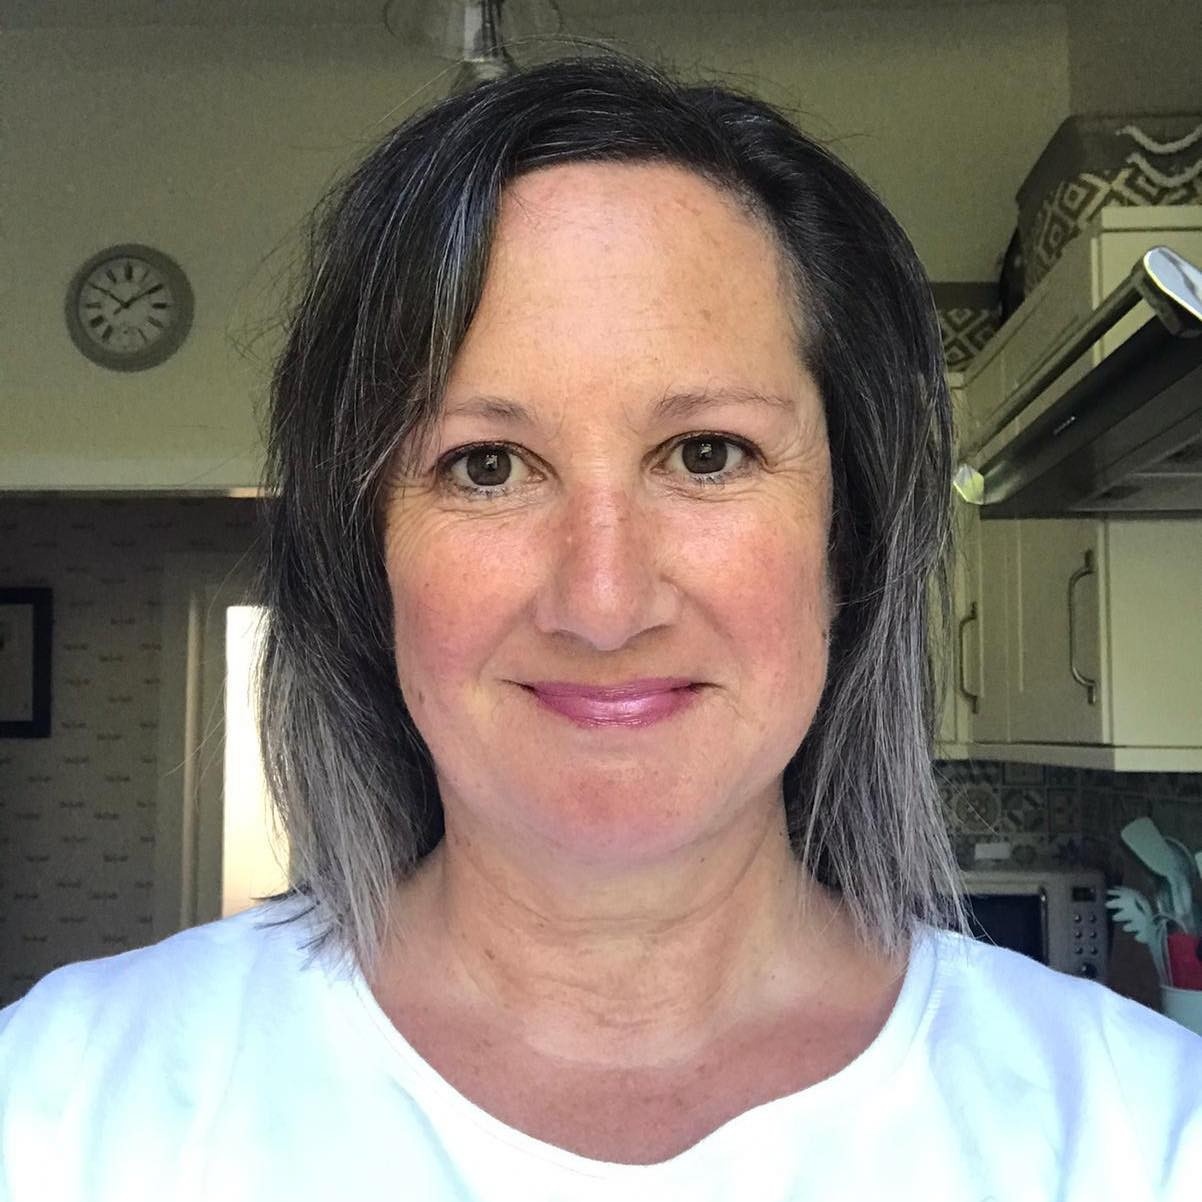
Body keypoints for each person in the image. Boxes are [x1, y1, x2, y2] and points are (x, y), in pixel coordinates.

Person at [1, 53, 1199, 1201]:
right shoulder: (62, 1107)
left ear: (848, 534)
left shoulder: (1140, 1133)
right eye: (485, 464)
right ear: (368, 557)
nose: (603, 601)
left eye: (706, 452)